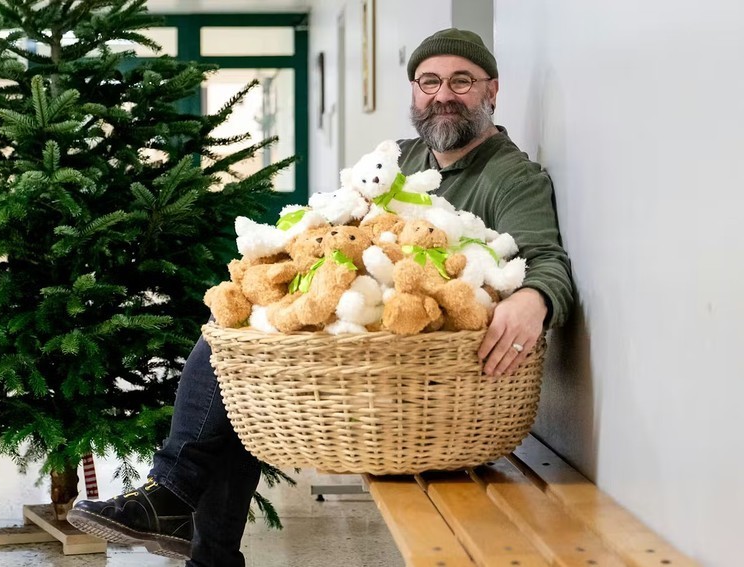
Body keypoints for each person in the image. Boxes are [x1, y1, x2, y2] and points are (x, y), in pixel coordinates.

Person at [66, 27, 574, 567]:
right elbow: (334, 221)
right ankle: (192, 529)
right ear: (414, 92)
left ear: (491, 91)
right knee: (245, 351)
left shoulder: (511, 176)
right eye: (429, 81)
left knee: (247, 363)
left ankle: (178, 504)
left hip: (421, 377)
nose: (442, 94)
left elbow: (547, 260)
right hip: (357, 344)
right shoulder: (398, 158)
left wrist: (534, 298)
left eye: (461, 81)